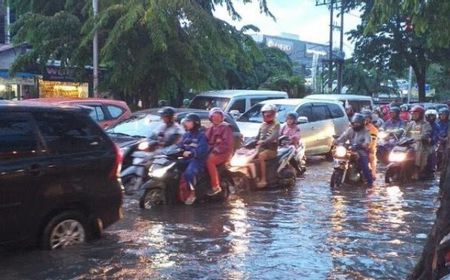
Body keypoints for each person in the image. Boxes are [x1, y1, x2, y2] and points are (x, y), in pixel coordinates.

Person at [334, 113, 374, 187]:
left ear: (361, 123)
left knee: (365, 167)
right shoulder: (350, 130)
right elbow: (343, 137)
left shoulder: (366, 131)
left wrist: (365, 144)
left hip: (361, 150)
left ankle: (370, 183)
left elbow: (368, 141)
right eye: (354, 123)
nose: (355, 125)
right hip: (350, 149)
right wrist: (336, 141)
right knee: (339, 158)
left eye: (357, 123)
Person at [177, 113, 209, 205]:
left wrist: (191, 153)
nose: (186, 123)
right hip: (186, 159)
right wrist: (178, 151)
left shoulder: (201, 136)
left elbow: (202, 150)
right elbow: (179, 146)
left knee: (189, 173)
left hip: (197, 160)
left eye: (189, 121)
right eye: (186, 121)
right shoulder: (186, 135)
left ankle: (192, 193)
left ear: (195, 123)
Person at [205, 108, 234, 196]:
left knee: (210, 161)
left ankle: (215, 186)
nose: (216, 119)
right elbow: (205, 139)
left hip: (223, 153)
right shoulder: (211, 128)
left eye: (218, 117)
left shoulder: (225, 127)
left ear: (222, 118)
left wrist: (215, 150)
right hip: (212, 151)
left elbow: (226, 144)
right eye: (214, 117)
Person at [404, 105, 433, 179]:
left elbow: (426, 134)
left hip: (422, 145)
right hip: (410, 144)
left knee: (419, 149)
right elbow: (405, 133)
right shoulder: (411, 123)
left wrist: (420, 138)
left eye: (416, 114)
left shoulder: (426, 124)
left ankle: (418, 169)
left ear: (421, 115)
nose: (414, 115)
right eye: (413, 114)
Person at [255, 104, 280, 188]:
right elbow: (257, 137)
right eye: (265, 114)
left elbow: (273, 137)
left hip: (271, 150)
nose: (267, 116)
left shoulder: (276, 125)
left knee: (261, 156)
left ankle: (263, 179)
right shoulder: (262, 125)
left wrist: (264, 141)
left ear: (273, 114)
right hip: (261, 148)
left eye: (269, 114)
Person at [280, 112, 303, 176]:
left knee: (291, 152)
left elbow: (297, 137)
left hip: (292, 145)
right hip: (282, 144)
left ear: (294, 120)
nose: (289, 120)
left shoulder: (296, 128)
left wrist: (291, 138)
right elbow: (279, 133)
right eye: (288, 119)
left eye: (291, 119)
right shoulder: (284, 126)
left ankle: (298, 169)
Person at [362, 109, 378, 180]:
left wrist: (368, 146)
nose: (365, 119)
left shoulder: (373, 128)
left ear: (370, 119)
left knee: (371, 156)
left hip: (368, 148)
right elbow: (348, 133)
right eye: (364, 117)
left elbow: (372, 140)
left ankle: (372, 174)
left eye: (367, 117)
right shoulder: (356, 125)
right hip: (356, 147)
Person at [425, 109, 439, 174]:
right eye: (429, 116)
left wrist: (431, 140)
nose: (431, 118)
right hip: (422, 142)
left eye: (432, 116)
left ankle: (431, 168)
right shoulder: (424, 124)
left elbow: (436, 136)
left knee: (431, 153)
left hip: (431, 144)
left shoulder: (436, 125)